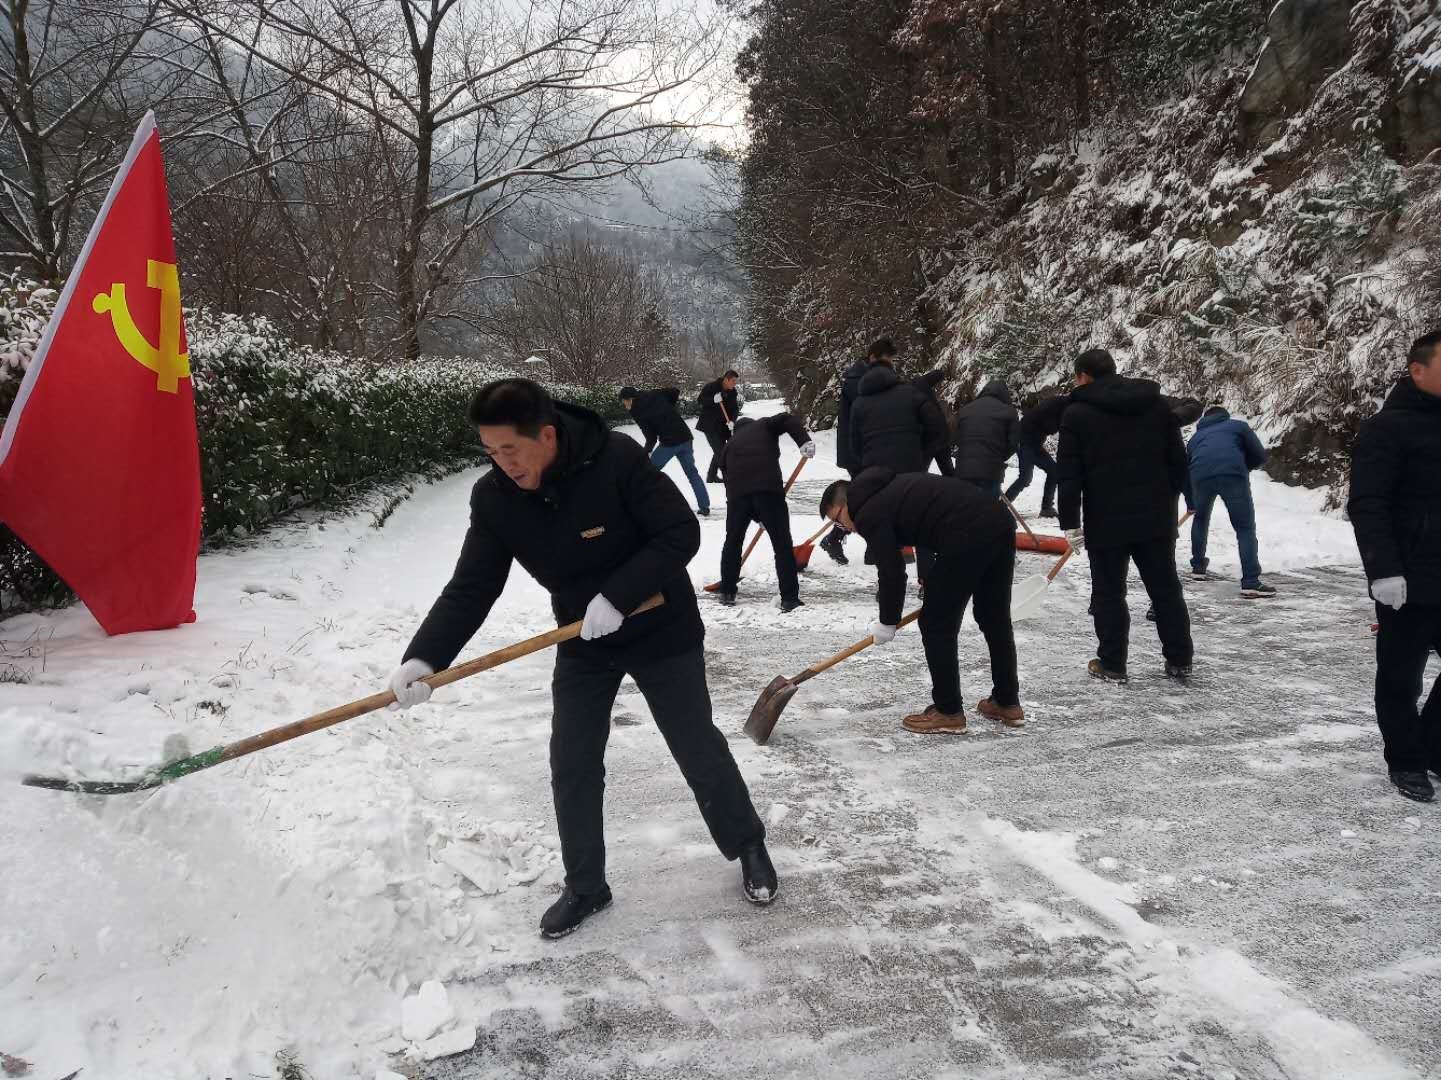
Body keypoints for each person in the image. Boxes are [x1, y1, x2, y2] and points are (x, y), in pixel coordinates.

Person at [388, 379, 775, 937]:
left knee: (694, 743)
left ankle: (747, 844)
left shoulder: (616, 458)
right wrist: (425, 658)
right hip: (583, 638)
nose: (503, 464)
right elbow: (471, 586)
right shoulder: (496, 498)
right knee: (572, 760)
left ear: (546, 435)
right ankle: (586, 885)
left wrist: (618, 594)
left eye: (511, 450)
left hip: (660, 625)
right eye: (491, 452)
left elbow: (678, 533)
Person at [819, 470, 1022, 733]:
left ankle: (948, 712)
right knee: (994, 617)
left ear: (845, 504)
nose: (845, 528)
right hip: (999, 523)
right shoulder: (885, 490)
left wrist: (887, 621)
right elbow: (924, 526)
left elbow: (891, 570)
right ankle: (1007, 702)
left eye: (838, 519)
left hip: (965, 534)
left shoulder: (867, 511)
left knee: (936, 624)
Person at [1057, 349, 1194, 684]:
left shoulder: (1077, 414)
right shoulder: (1157, 405)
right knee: (1165, 589)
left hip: (1106, 518)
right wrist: (1172, 497)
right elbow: (1178, 460)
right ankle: (1179, 658)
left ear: (1083, 376)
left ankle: (1113, 662)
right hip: (1156, 517)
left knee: (1109, 592)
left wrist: (1070, 523)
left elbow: (1069, 475)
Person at [1348, 330, 1441, 803]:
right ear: (1417, 370)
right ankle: (1406, 760)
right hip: (1409, 578)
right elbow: (1368, 503)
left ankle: (1431, 746)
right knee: (1402, 676)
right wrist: (1383, 570)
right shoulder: (1386, 429)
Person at [850, 342, 952, 585]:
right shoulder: (911, 394)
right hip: (911, 473)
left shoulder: (859, 404)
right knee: (923, 523)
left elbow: (854, 445)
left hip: (877, 478)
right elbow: (938, 430)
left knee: (886, 529)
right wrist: (920, 453)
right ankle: (927, 582)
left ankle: (889, 584)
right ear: (892, 370)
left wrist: (869, 465)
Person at [716, 413, 816, 610]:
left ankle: (727, 591)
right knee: (781, 544)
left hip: (737, 497)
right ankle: (789, 598)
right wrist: (803, 440)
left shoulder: (728, 446)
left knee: (733, 541)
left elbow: (727, 478)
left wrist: (754, 514)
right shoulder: (764, 424)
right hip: (768, 491)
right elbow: (787, 419)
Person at [1185, 405, 1275, 598]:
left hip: (1199, 477)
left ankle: (1198, 568)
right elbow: (1259, 455)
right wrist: (1242, 467)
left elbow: (1187, 462)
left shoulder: (1195, 438)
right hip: (1232, 475)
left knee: (1200, 520)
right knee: (1244, 528)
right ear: (1224, 415)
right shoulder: (1238, 426)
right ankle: (1250, 581)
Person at [821, 340, 882, 565]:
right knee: (865, 499)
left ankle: (840, 539)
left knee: (865, 497)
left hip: (862, 450)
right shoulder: (858, 383)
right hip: (858, 452)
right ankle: (859, 544)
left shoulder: (860, 379)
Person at [620, 385, 709, 516]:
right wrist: (669, 408)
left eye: (624, 401)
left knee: (648, 473)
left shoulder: (637, 410)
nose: (624, 404)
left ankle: (644, 505)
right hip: (685, 437)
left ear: (629, 399)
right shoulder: (654, 393)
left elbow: (651, 437)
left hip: (669, 443)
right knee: (692, 473)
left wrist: (644, 453)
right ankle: (704, 506)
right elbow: (675, 391)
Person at [952, 379, 1019, 499]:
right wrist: (999, 456)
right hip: (991, 470)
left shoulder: (966, 409)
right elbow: (1014, 443)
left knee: (964, 508)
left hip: (963, 469)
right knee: (987, 510)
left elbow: (956, 437)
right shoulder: (1009, 412)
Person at [1005, 393, 1069, 517]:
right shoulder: (1057, 406)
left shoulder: (1063, 405)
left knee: (1054, 472)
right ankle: (1000, 506)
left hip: (1035, 443)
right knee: (1025, 478)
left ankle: (1046, 507)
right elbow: (1051, 426)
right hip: (1024, 441)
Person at [697, 369, 742, 484]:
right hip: (710, 426)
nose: (734, 384)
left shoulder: (732, 392)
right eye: (733, 381)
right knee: (721, 452)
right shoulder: (711, 387)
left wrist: (732, 421)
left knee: (720, 450)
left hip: (723, 426)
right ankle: (729, 478)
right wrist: (713, 400)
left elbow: (735, 409)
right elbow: (700, 400)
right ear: (726, 379)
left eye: (735, 381)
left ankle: (711, 476)